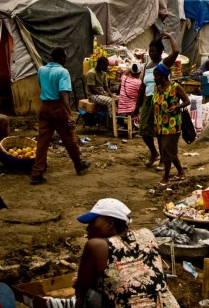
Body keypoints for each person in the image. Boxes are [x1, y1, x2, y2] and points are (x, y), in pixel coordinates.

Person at [74, 198, 179, 308]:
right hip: (165, 304)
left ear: (110, 224)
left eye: (91, 223)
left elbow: (82, 289)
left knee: (90, 297)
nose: (88, 228)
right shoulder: (146, 234)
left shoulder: (96, 246)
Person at [31, 48, 91, 185]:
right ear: (62, 59)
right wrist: (69, 113)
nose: (66, 60)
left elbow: (41, 86)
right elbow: (63, 93)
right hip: (57, 107)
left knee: (43, 140)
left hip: (44, 106)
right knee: (68, 137)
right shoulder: (63, 72)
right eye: (65, 58)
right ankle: (79, 163)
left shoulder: (41, 70)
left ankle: (37, 172)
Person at [134, 33, 179, 169]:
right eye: (150, 50)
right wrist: (137, 104)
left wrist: (170, 37)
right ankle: (154, 153)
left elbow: (176, 51)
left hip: (161, 100)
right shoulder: (148, 64)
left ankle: (163, 160)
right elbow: (143, 85)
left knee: (160, 132)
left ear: (160, 52)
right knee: (143, 130)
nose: (151, 53)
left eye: (154, 51)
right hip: (148, 100)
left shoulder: (164, 63)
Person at [152, 63, 190, 189]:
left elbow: (187, 101)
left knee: (167, 151)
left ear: (162, 76)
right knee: (168, 150)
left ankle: (166, 178)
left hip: (173, 125)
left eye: (156, 76)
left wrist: (176, 107)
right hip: (160, 124)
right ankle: (181, 172)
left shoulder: (175, 87)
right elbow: (154, 106)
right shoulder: (157, 88)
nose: (154, 78)